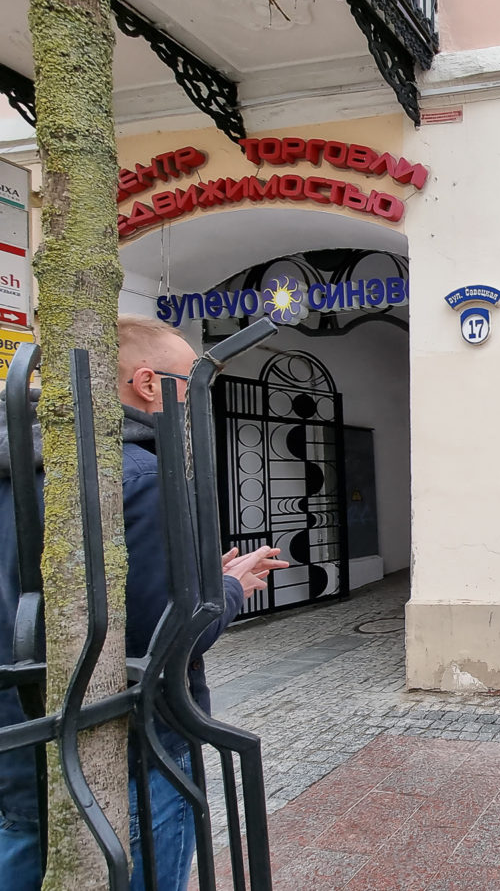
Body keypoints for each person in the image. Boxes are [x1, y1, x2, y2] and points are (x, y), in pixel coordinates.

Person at [0, 315, 287, 891]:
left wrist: (212, 578)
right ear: (149, 383)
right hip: (126, 748)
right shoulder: (140, 477)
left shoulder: (17, 475)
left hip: (23, 742)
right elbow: (167, 637)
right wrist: (227, 589)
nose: (198, 406)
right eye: (192, 385)